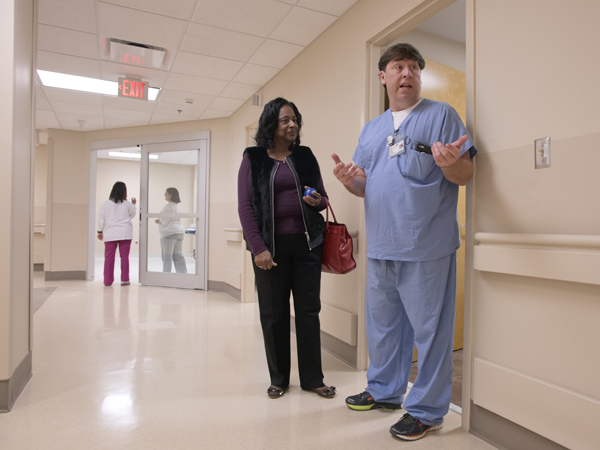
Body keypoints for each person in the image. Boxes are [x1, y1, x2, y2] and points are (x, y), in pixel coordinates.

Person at [332, 43, 476, 441]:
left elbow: (465, 175)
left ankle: (428, 411)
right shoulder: (373, 129)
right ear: (384, 76)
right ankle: (384, 391)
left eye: (413, 67)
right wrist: (350, 181)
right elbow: (368, 185)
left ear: (419, 76)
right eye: (398, 67)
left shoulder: (441, 116)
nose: (406, 74)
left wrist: (453, 164)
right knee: (384, 328)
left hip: (426, 244)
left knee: (430, 332)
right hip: (381, 244)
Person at [238, 97, 336, 400]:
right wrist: (258, 248)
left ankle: (313, 378)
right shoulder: (253, 158)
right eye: (285, 120)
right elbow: (245, 207)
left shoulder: (305, 156)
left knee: (309, 312)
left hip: (307, 245)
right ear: (272, 124)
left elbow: (324, 199)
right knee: (274, 314)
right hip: (270, 249)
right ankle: (279, 378)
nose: (292, 124)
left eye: (295, 119)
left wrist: (316, 201)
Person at [97, 181, 137, 286]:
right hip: (125, 233)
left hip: (110, 234)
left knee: (109, 258)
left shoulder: (105, 204)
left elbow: (101, 218)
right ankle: (125, 280)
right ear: (124, 191)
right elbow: (132, 215)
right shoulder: (127, 204)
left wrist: (100, 231)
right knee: (124, 257)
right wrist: (133, 204)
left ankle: (108, 281)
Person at [156, 187, 187, 273]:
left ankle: (167, 277)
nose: (164, 194)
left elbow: (164, 221)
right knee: (178, 256)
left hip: (169, 233)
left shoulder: (168, 206)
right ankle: (183, 275)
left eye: (166, 193)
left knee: (167, 257)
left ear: (170, 195)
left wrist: (158, 220)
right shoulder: (177, 206)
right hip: (179, 231)